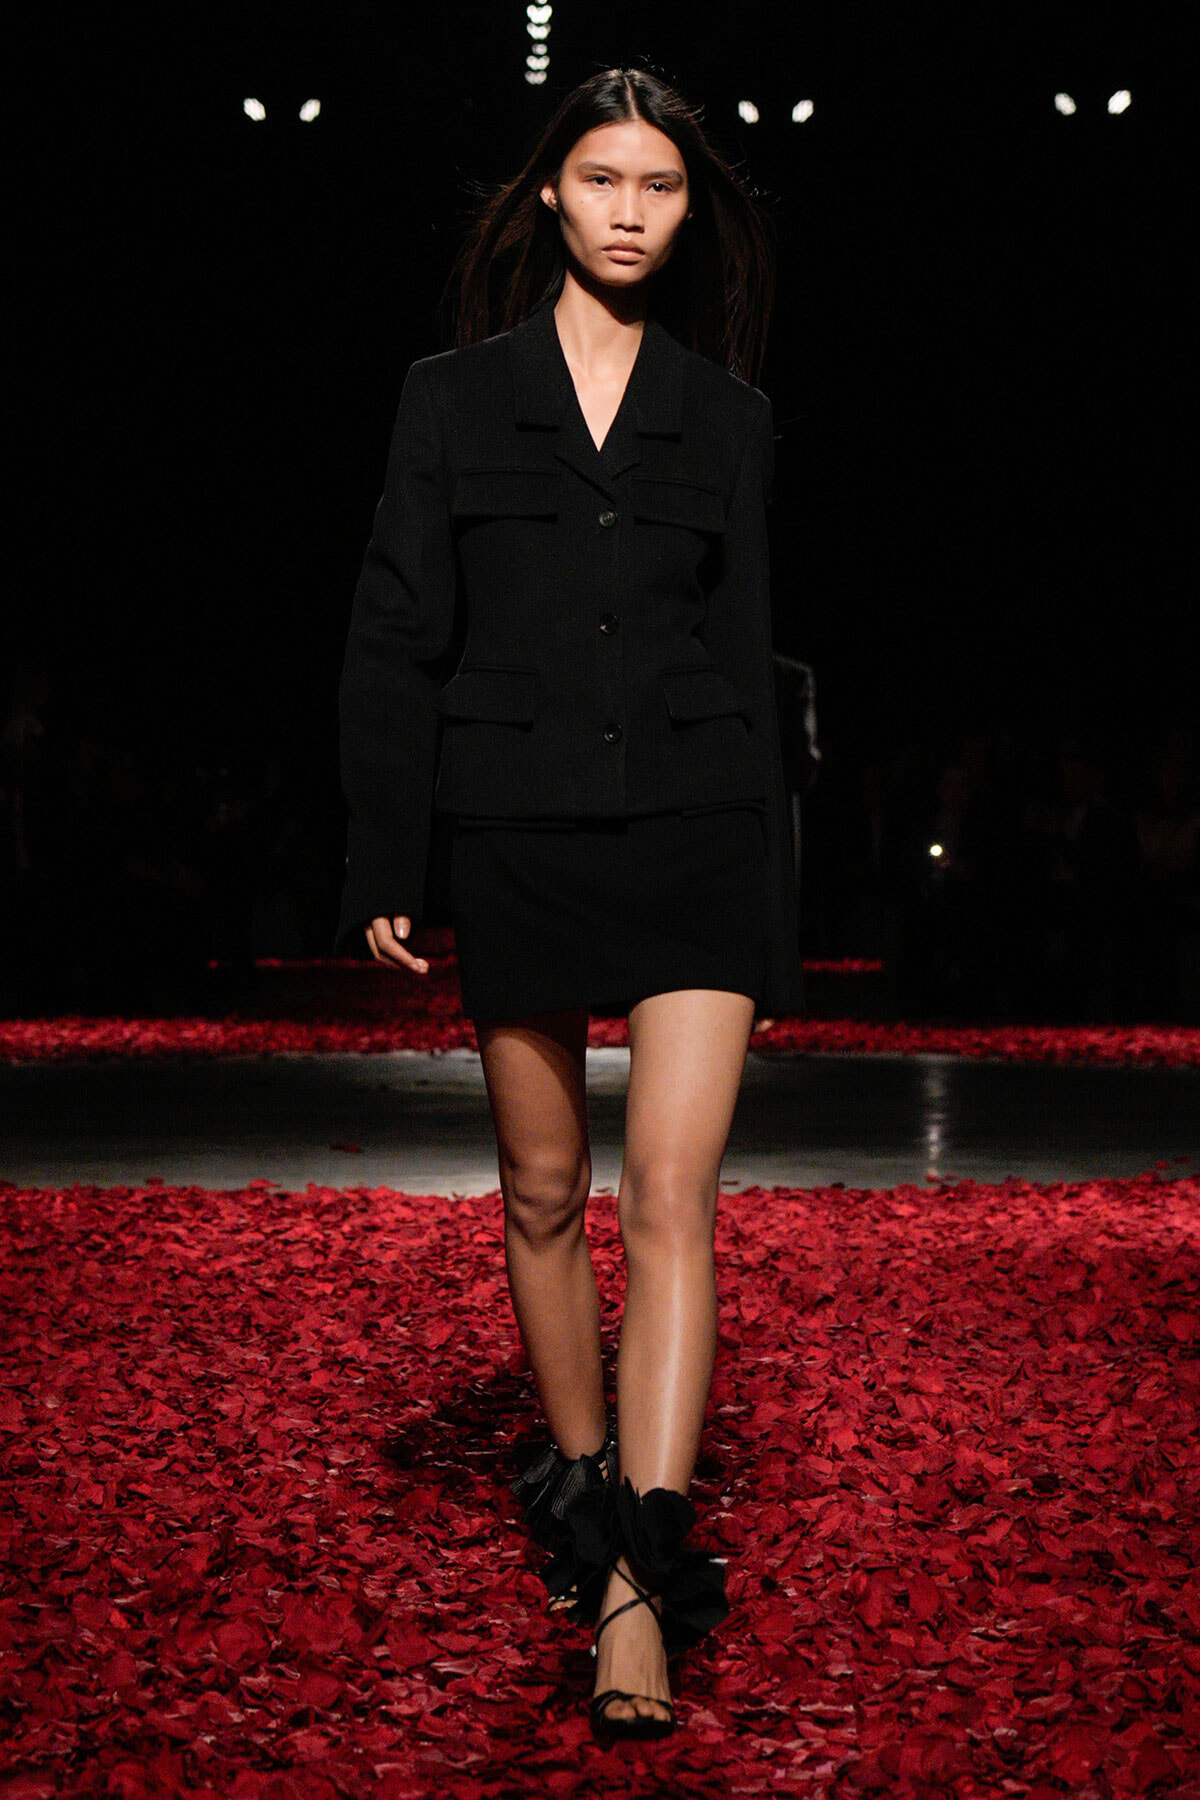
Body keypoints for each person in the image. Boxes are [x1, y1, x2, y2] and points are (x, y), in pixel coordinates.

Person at [335, 64, 804, 1740]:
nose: (627, 209)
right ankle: (587, 1485)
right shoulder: (451, 401)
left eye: (659, 187)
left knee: (672, 1197)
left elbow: (749, 662)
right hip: (516, 826)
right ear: (550, 194)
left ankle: (633, 1582)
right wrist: (386, 851)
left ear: (688, 212)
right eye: (599, 179)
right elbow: (397, 625)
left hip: (693, 830)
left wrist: (773, 882)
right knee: (545, 1190)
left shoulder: (727, 419)